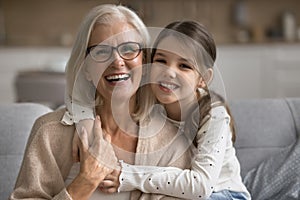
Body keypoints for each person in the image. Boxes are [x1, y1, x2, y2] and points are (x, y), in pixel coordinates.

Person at [9, 4, 185, 200]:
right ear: (86, 69)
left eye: (128, 49)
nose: (117, 61)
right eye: (101, 51)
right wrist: (85, 181)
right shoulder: (50, 132)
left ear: (144, 63)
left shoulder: (172, 141)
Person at [97, 21, 251, 199]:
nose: (169, 72)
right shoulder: (150, 96)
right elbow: (97, 101)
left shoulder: (213, 114)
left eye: (184, 66)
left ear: (203, 78)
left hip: (222, 194)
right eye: (161, 60)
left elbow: (200, 187)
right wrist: (84, 125)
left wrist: (129, 176)